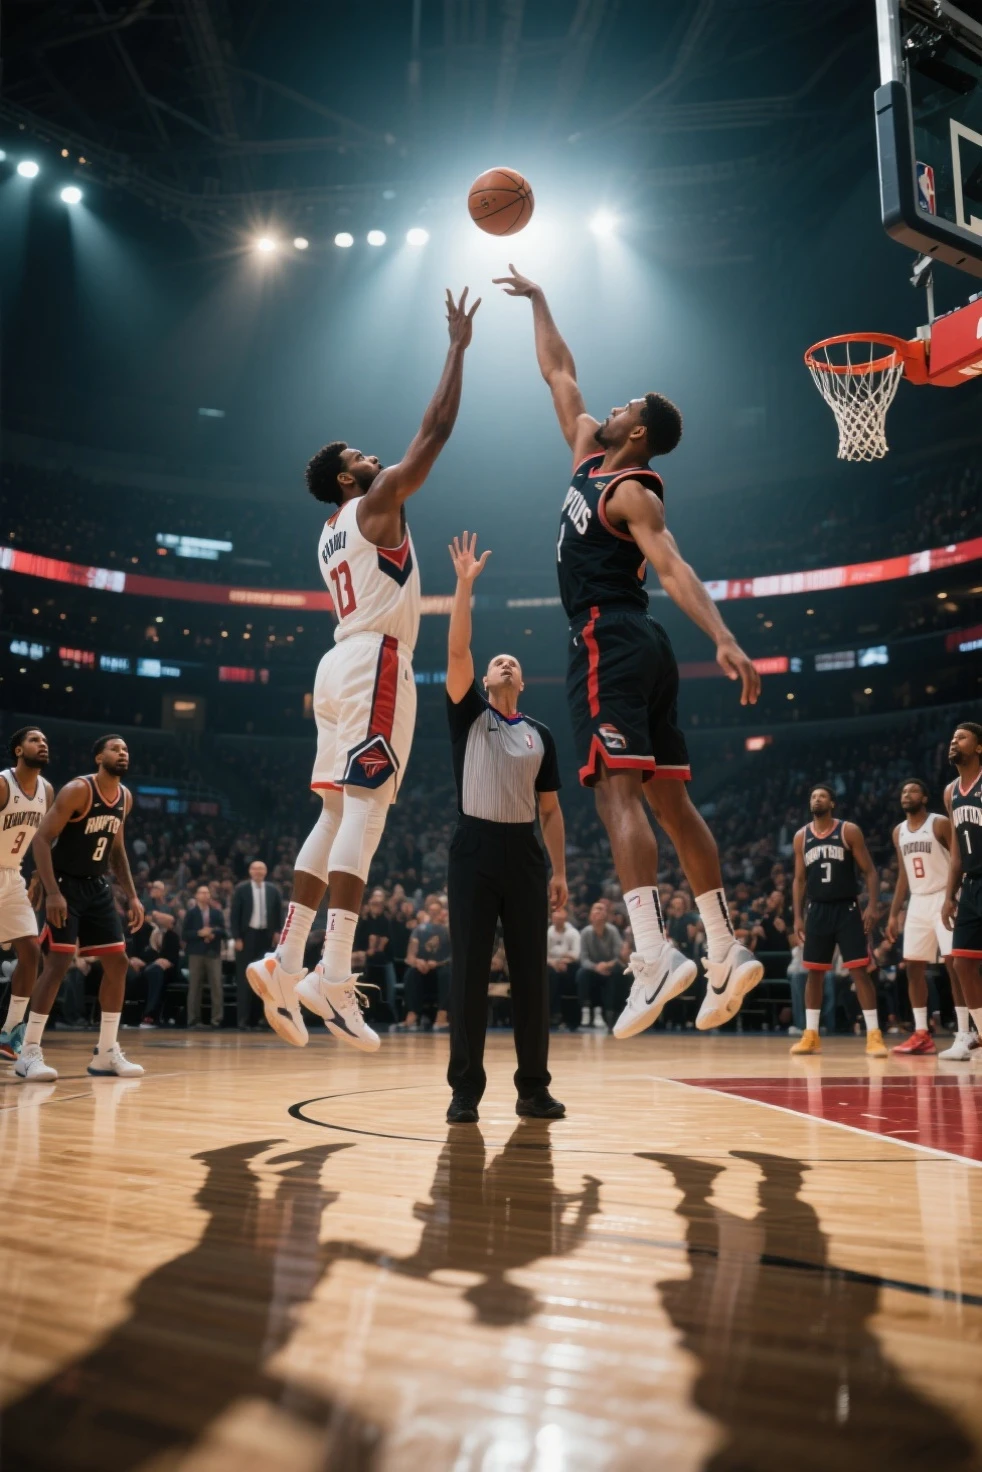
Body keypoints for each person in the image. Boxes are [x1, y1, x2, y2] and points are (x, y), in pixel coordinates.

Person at [494, 264, 763, 1041]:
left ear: (637, 432)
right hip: (644, 644)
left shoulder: (632, 491)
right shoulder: (587, 456)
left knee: (615, 795)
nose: (605, 408)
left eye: (623, 407)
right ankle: (723, 947)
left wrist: (725, 635)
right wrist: (542, 299)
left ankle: (653, 955)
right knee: (672, 804)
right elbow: (559, 372)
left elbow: (673, 567)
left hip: (607, 636)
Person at [247, 286, 480, 1052]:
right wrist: (457, 347)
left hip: (338, 665)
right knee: (367, 816)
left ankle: (286, 956)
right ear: (350, 480)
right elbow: (437, 431)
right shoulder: (377, 502)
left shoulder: (328, 532)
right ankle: (332, 972)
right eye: (359, 458)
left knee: (334, 815)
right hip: (377, 659)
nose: (372, 457)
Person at [443, 532, 567, 1124]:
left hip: (524, 852)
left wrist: (560, 870)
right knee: (468, 971)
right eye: (497, 662)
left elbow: (551, 810)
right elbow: (460, 649)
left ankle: (532, 1089)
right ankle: (464, 1089)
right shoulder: (468, 713)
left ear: (522, 682)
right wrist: (465, 586)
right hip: (473, 847)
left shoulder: (540, 734)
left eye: (512, 662)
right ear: (485, 681)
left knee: (530, 977)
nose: (505, 663)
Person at [20, 736, 145, 1081]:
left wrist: (132, 896)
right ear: (98, 757)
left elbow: (116, 850)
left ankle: (106, 1052)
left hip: (97, 885)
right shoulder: (78, 790)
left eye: (126, 749)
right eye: (115, 748)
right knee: (58, 961)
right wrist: (53, 892)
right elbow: (42, 840)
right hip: (64, 884)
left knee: (118, 962)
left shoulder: (125, 798)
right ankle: (28, 1051)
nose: (123, 752)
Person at [790, 785, 881, 1056]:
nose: (816, 799)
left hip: (847, 909)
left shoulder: (848, 831)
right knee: (814, 973)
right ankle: (811, 1035)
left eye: (822, 796)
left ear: (832, 803)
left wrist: (872, 906)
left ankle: (874, 1034)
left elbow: (871, 872)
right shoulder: (801, 837)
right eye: (813, 796)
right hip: (816, 910)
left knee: (858, 971)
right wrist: (797, 916)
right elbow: (799, 880)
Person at [886, 779, 959, 1057]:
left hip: (943, 895)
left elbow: (957, 860)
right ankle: (921, 1034)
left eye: (913, 790)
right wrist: (894, 913)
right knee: (913, 967)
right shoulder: (899, 832)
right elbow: (904, 875)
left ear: (925, 798)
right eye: (904, 791)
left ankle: (967, 1031)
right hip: (917, 900)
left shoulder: (939, 823)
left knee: (955, 965)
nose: (907, 794)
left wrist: (953, 897)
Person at [0, 727, 53, 1061]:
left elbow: (43, 838)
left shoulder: (47, 790)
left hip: (12, 876)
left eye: (45, 741)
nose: (42, 744)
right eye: (35, 740)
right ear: (18, 750)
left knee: (31, 953)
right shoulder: (3, 784)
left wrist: (37, 873)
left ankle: (9, 1034)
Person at [943, 722, 982, 1046]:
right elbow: (956, 850)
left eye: (962, 737)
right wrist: (948, 896)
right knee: (962, 962)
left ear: (979, 747)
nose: (954, 741)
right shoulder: (950, 792)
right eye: (953, 738)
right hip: (970, 885)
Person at [232, 861, 282, 1030]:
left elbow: (278, 913)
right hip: (247, 937)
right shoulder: (241, 889)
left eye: (261, 868)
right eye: (255, 868)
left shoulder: (273, 890)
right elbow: (234, 915)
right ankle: (243, 1020)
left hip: (266, 938)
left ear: (266, 871)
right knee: (244, 978)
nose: (258, 871)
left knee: (265, 979)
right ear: (250, 871)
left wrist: (277, 932)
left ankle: (262, 1019)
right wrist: (236, 937)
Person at [401, 900, 452, 1033]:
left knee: (447, 973)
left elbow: (454, 956)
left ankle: (442, 1015)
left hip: (441, 969)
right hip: (423, 970)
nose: (434, 914)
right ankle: (412, 1014)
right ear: (428, 912)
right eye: (432, 911)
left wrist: (437, 963)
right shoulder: (419, 930)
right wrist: (418, 962)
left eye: (437, 912)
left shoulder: (448, 931)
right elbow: (410, 956)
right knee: (411, 973)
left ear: (442, 913)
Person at [184, 883, 228, 1029]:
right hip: (196, 953)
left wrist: (212, 932)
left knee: (216, 987)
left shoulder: (216, 913)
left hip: (213, 953)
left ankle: (217, 1019)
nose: (205, 895)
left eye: (207, 893)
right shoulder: (191, 913)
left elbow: (224, 932)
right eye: (202, 893)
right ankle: (193, 1019)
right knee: (195, 987)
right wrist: (199, 933)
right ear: (196, 895)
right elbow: (185, 934)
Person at [577, 901, 625, 1030]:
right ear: (590, 915)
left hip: (609, 969)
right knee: (582, 973)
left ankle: (609, 1014)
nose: (598, 912)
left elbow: (619, 956)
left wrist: (607, 965)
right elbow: (583, 958)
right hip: (592, 970)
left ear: (606, 915)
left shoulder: (613, 931)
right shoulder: (585, 933)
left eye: (601, 909)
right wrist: (596, 967)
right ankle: (586, 1011)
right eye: (596, 909)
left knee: (618, 971)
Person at [547, 906, 581, 1028]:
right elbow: (544, 955)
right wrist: (555, 962)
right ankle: (552, 1013)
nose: (557, 920)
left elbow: (576, 955)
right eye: (555, 917)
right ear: (552, 918)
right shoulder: (548, 933)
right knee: (550, 974)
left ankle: (559, 1013)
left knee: (563, 973)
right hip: (552, 965)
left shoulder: (573, 933)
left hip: (570, 965)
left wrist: (561, 960)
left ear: (565, 918)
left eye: (560, 917)